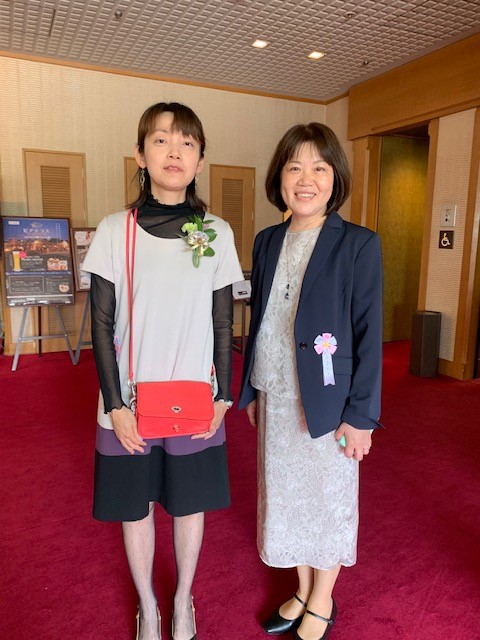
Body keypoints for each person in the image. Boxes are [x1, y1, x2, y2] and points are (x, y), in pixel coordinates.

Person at [83, 102, 243, 640]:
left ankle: (182, 601)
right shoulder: (115, 230)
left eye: (187, 143)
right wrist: (115, 406)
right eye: (161, 140)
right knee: (137, 508)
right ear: (140, 154)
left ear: (200, 160)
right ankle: (148, 607)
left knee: (189, 505)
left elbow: (224, 321)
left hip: (196, 397)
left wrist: (224, 396)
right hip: (128, 400)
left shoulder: (216, 231)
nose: (175, 152)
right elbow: (100, 324)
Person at [239, 123, 383, 640]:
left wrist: (361, 416)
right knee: (286, 499)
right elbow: (260, 318)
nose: (306, 179)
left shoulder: (359, 244)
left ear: (335, 178)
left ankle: (323, 599)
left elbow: (369, 332)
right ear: (279, 177)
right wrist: (251, 389)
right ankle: (302, 588)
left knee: (327, 501)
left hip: (328, 401)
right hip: (275, 392)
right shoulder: (267, 240)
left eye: (319, 168)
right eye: (295, 167)